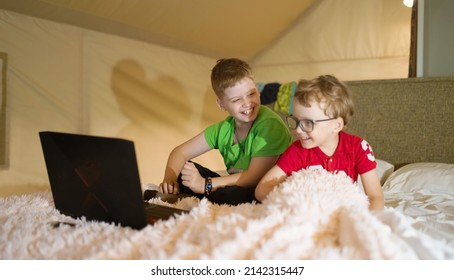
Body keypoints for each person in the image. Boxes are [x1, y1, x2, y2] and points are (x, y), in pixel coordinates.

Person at [156, 58, 293, 205]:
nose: (247, 103)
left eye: (251, 93)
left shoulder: (269, 125)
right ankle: (183, 193)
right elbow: (180, 152)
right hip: (236, 186)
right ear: (222, 105)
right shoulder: (223, 129)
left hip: (263, 188)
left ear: (258, 91)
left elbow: (253, 177)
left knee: (230, 195)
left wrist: (206, 184)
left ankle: (204, 194)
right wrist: (169, 180)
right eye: (236, 100)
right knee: (182, 172)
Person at [254, 75, 384, 211]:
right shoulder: (297, 151)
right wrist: (296, 199)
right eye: (296, 120)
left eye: (307, 123)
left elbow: (375, 196)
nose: (298, 129)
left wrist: (369, 220)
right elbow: (262, 189)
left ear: (336, 125)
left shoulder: (358, 148)